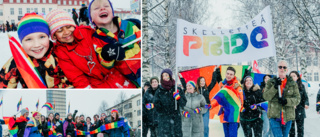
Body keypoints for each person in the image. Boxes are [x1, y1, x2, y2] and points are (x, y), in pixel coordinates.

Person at [45, 9, 135, 88]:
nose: (66, 32)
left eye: (69, 27)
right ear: (54, 36)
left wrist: (111, 49)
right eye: (60, 31)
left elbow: (105, 38)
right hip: (96, 84)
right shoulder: (61, 52)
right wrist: (87, 89)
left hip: (115, 73)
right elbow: (76, 76)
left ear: (73, 25)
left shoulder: (87, 32)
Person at [0, 13, 72, 88]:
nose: (37, 45)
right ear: (22, 42)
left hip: (57, 98)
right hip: (32, 99)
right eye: (29, 39)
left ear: (48, 37)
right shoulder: (18, 60)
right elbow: (3, 88)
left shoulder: (60, 54)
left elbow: (72, 83)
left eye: (42, 37)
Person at [88, 0, 142, 87]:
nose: (102, 8)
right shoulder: (96, 39)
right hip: (128, 78)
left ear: (112, 12)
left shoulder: (129, 26)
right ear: (91, 19)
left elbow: (142, 41)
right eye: (96, 8)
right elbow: (104, 64)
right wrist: (107, 55)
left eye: (106, 6)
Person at [263, 60, 300, 137]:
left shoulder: (292, 83)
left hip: (288, 116)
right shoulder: (271, 81)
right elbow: (266, 96)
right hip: (274, 115)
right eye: (280, 67)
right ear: (277, 68)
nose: (282, 69)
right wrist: (275, 87)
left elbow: (297, 99)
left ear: (287, 69)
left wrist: (287, 101)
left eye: (284, 67)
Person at [179, 70, 217, 137]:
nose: (202, 82)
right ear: (198, 82)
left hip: (204, 110)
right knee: (196, 127)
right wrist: (181, 77)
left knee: (205, 126)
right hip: (195, 111)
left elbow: (213, 82)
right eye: (201, 81)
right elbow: (186, 86)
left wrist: (214, 71)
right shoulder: (195, 90)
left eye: (203, 81)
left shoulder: (207, 89)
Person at [210, 66, 243, 137]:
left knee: (232, 135)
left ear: (234, 76)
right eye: (228, 73)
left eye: (231, 74)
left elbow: (241, 100)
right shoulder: (222, 84)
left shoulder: (237, 85)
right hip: (224, 114)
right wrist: (211, 105)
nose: (229, 76)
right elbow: (219, 98)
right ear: (225, 74)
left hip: (233, 114)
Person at [153, 69, 187, 137]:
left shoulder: (177, 89)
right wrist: (163, 110)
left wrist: (178, 98)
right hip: (164, 121)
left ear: (170, 76)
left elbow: (183, 103)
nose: (165, 77)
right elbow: (156, 105)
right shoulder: (159, 91)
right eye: (163, 76)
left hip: (176, 120)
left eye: (166, 75)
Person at [289, 71, 309, 137]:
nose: (292, 77)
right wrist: (291, 104)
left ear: (297, 77)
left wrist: (306, 104)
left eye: (294, 76)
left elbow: (305, 97)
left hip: (300, 110)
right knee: (291, 131)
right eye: (291, 76)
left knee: (300, 130)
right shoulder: (286, 86)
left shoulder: (301, 86)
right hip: (290, 111)